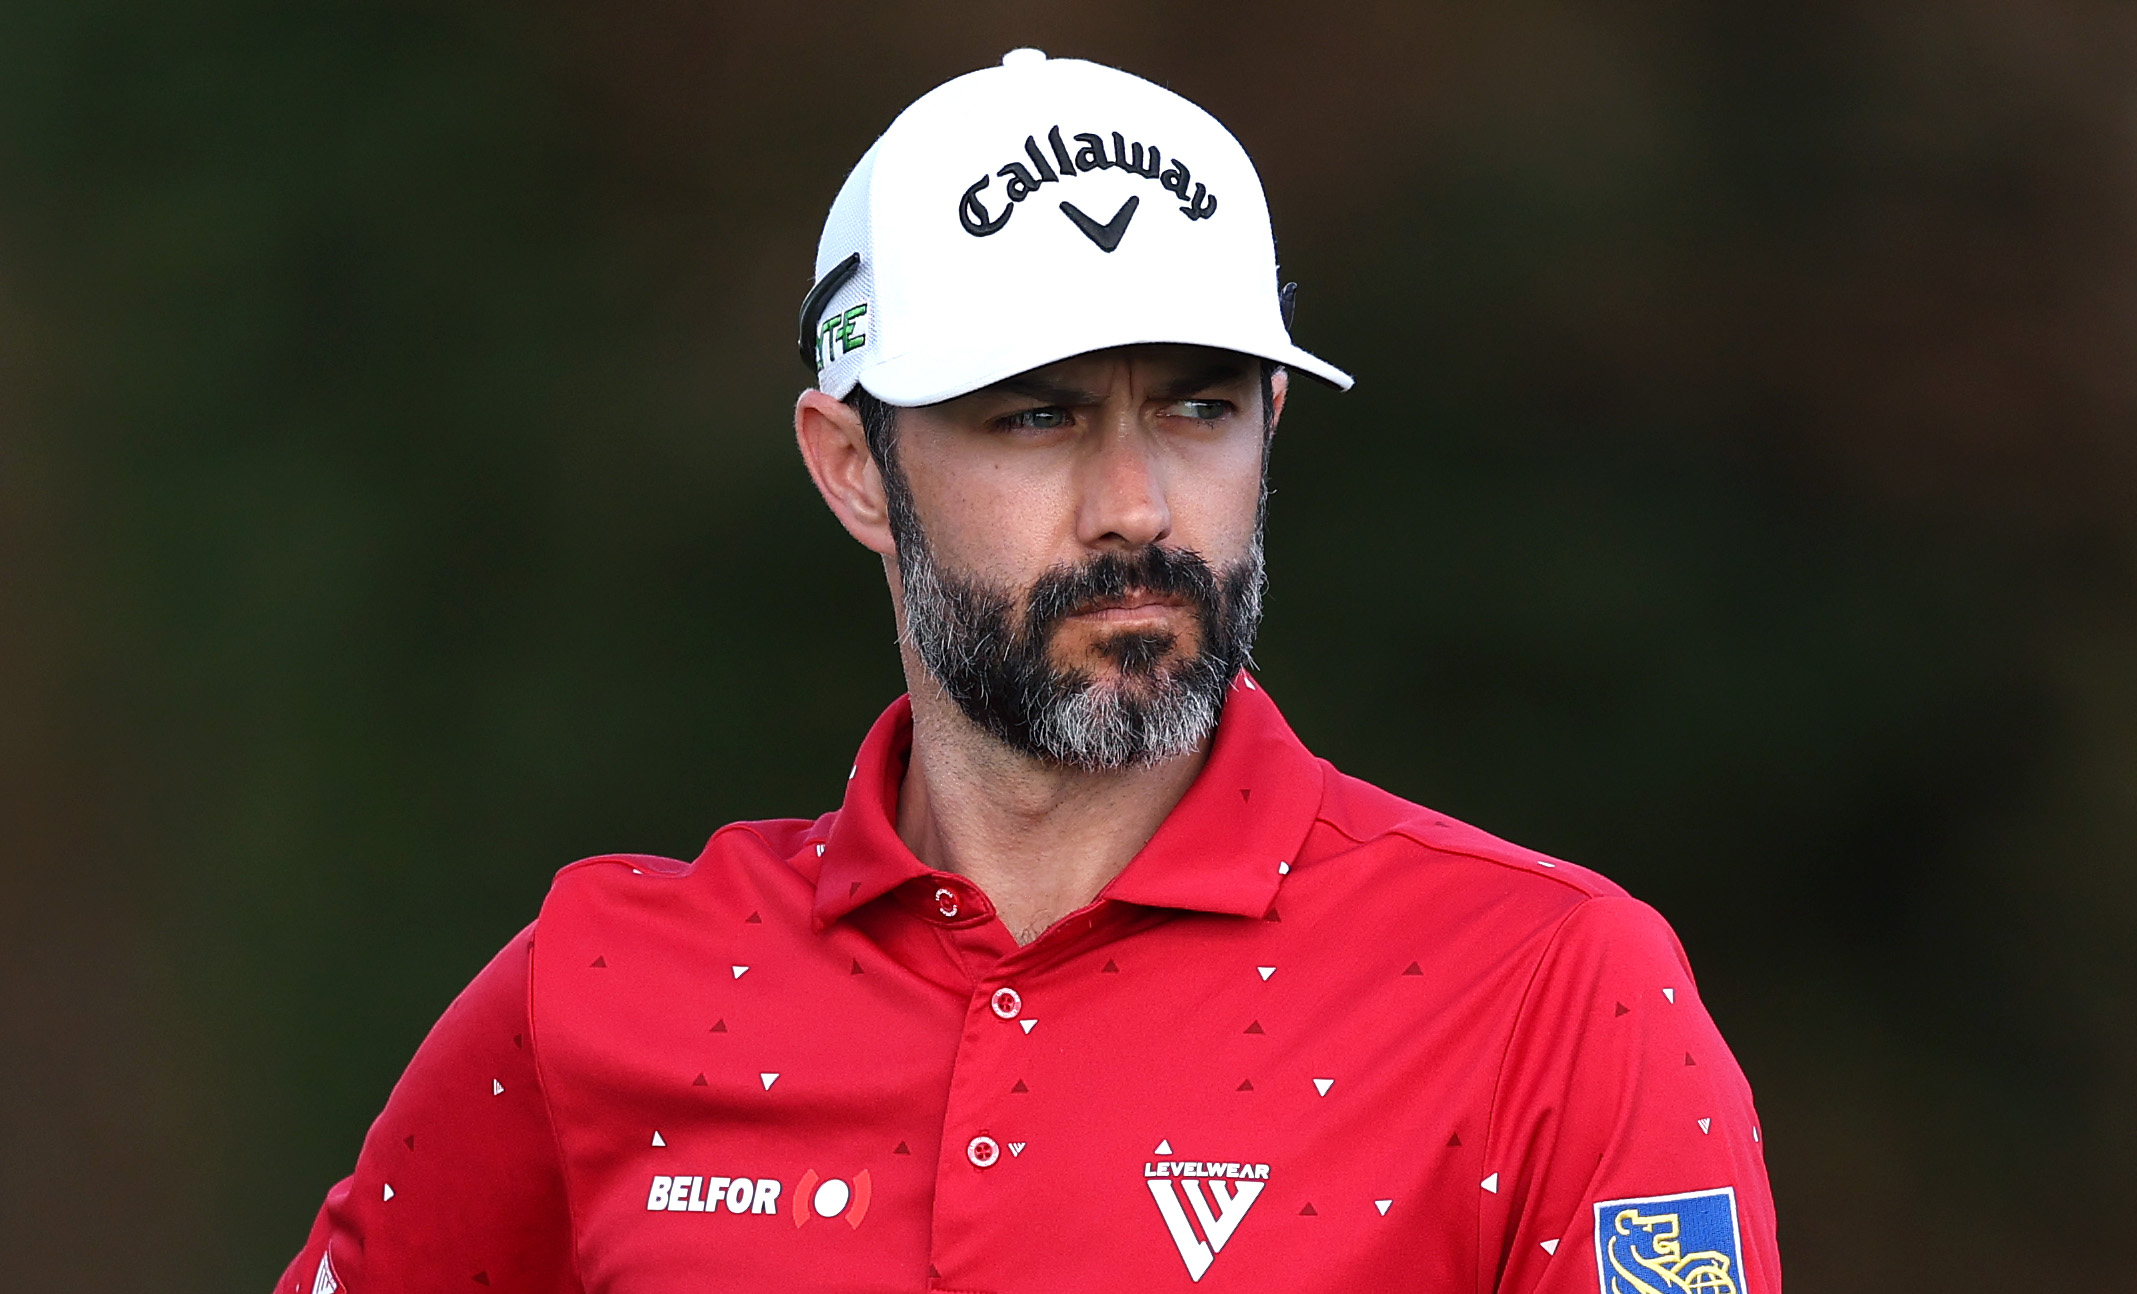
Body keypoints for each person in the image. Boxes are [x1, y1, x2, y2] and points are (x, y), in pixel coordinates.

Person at [275, 49, 1777, 1294]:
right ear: (853, 467)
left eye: (1197, 408)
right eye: (1035, 416)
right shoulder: (601, 990)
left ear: (1272, 426)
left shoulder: (1554, 987)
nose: (1135, 504)